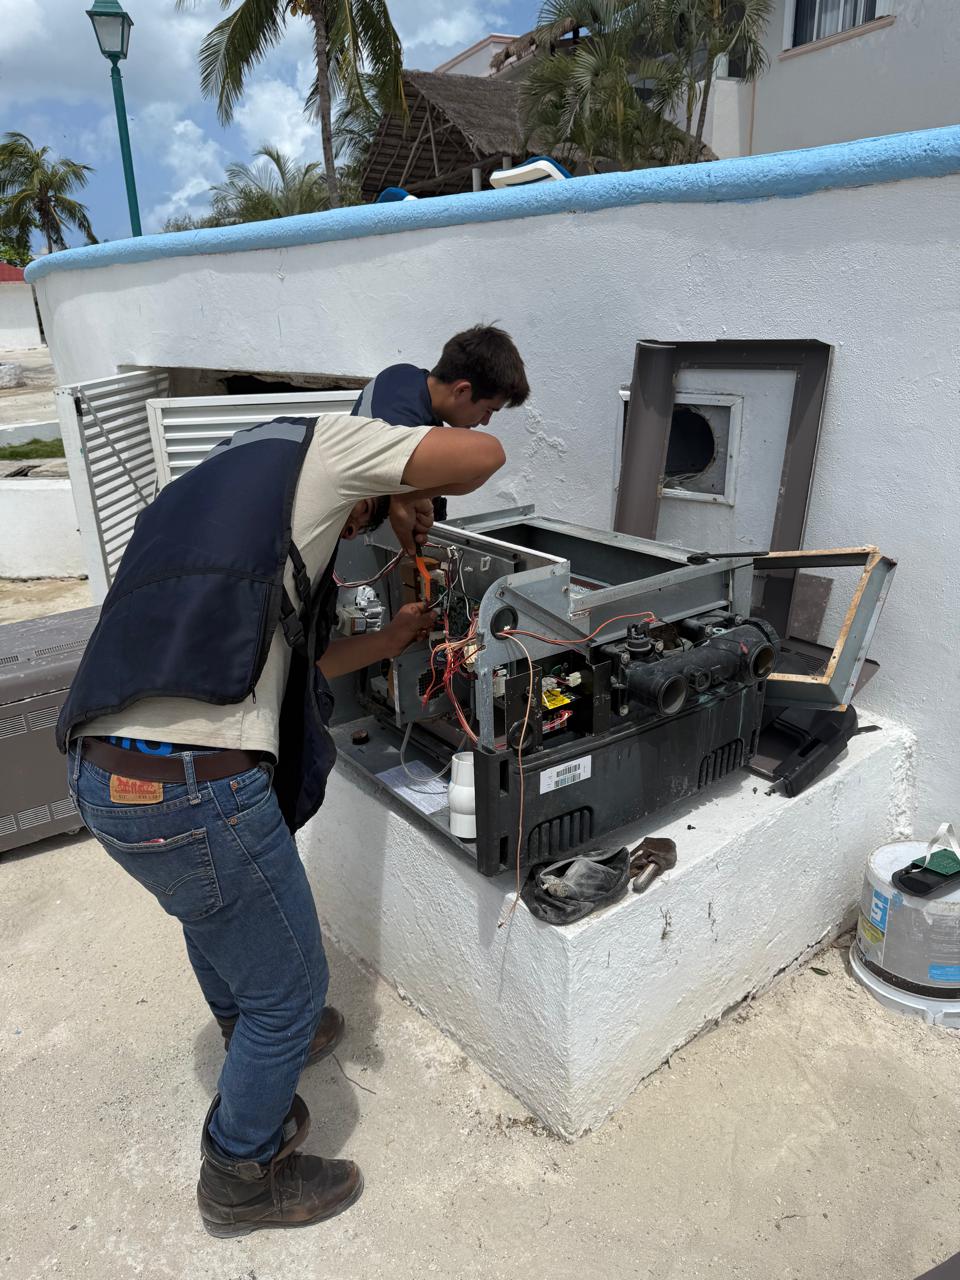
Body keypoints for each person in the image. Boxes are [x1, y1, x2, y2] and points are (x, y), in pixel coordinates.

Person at [58, 411, 506, 1238]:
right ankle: (242, 1175)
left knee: (215, 909)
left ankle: (249, 1042)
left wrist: (394, 637)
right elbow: (484, 452)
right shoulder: (327, 443)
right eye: (372, 506)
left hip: (105, 777)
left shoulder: (206, 492)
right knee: (294, 990)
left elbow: (287, 661)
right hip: (198, 789)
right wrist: (407, 485)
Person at [352, 323, 529, 521]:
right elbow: (490, 459)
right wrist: (409, 498)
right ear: (462, 390)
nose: (486, 421)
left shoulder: (400, 375)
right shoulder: (402, 427)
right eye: (488, 410)